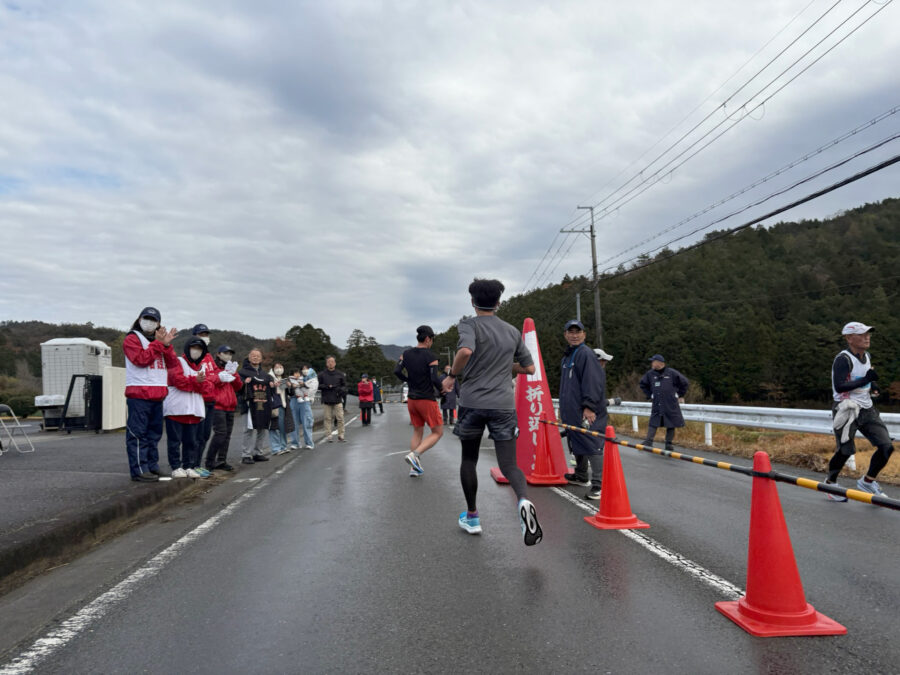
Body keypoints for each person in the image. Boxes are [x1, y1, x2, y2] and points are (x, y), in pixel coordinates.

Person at [443, 278, 542, 546]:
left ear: (472, 302)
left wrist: (452, 376)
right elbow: (529, 368)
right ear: (498, 302)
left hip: (473, 403)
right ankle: (523, 501)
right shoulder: (512, 331)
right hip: (503, 405)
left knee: (469, 459)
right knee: (509, 465)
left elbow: (465, 350)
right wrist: (504, 365)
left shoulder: (469, 325)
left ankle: (472, 517)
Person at [825, 322, 895, 500]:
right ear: (849, 338)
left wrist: (873, 384)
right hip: (846, 409)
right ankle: (830, 483)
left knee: (886, 446)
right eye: (862, 335)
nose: (867, 338)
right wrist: (866, 380)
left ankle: (868, 481)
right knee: (846, 451)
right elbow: (840, 386)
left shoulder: (867, 355)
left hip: (866, 408)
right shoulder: (843, 359)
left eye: (868, 334)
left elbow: (866, 375)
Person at [123, 307, 178, 482]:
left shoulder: (159, 341)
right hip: (139, 393)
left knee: (154, 434)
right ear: (139, 319)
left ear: (159, 324)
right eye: (146, 318)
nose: (149, 322)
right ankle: (139, 469)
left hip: (157, 394)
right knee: (138, 433)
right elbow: (141, 360)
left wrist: (166, 345)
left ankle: (152, 466)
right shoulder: (132, 338)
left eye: (154, 320)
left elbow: (173, 363)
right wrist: (159, 344)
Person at [558, 320, 607, 500]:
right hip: (572, 410)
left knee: (592, 444)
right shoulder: (568, 356)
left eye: (577, 332)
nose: (574, 335)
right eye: (570, 332)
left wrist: (589, 407)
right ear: (565, 335)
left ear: (584, 334)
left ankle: (599, 485)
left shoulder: (585, 354)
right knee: (576, 440)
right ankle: (580, 475)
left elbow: (592, 382)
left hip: (586, 410)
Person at [394, 325, 444, 476]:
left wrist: (408, 380)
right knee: (437, 432)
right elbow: (434, 378)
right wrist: (443, 389)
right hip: (426, 399)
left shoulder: (406, 354)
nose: (432, 342)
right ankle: (414, 455)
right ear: (428, 339)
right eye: (432, 339)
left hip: (412, 399)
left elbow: (397, 370)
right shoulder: (431, 356)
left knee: (417, 431)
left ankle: (414, 468)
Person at [163, 337, 215, 478]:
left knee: (191, 441)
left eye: (200, 349)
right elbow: (178, 381)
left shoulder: (202, 367)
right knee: (174, 441)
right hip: (176, 409)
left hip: (194, 411)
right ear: (187, 348)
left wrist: (196, 384)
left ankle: (188, 466)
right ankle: (175, 466)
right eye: (194, 347)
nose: (196, 351)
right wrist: (195, 382)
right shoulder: (178, 361)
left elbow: (207, 387)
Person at [204, 345, 243, 472]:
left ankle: (222, 460)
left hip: (230, 405)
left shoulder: (230, 368)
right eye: (225, 353)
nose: (228, 356)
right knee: (220, 433)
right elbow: (211, 382)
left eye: (230, 354)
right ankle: (210, 461)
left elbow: (238, 386)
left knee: (227, 435)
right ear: (218, 354)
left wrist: (234, 374)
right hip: (218, 405)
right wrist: (222, 375)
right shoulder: (213, 368)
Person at [639, 354, 689, 451]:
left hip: (670, 402)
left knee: (671, 422)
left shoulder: (671, 373)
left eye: (653, 361)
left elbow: (685, 382)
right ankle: (648, 441)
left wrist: (680, 394)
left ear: (659, 363)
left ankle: (668, 443)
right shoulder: (650, 374)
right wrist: (650, 395)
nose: (651, 363)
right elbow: (643, 384)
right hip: (657, 402)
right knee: (654, 421)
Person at [238, 348, 274, 464]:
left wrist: (272, 385)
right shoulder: (242, 372)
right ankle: (246, 455)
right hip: (248, 405)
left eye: (258, 356)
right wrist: (244, 383)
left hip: (263, 405)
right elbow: (237, 387)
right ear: (249, 357)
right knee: (248, 430)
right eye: (253, 355)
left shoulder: (265, 375)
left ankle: (258, 453)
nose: (255, 357)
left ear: (261, 359)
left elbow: (272, 387)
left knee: (262, 429)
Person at [190, 323, 217, 460]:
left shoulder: (209, 356)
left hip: (211, 400)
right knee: (196, 435)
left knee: (206, 435)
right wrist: (213, 378)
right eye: (201, 334)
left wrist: (220, 376)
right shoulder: (191, 355)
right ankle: (191, 463)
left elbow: (215, 373)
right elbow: (196, 377)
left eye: (206, 334)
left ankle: (198, 463)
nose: (204, 337)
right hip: (199, 400)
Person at [268, 362, 296, 454]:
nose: (279, 369)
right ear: (273, 368)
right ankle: (276, 448)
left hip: (284, 405)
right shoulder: (269, 377)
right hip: (274, 405)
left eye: (281, 367)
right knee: (274, 427)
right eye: (276, 367)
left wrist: (289, 386)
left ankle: (283, 446)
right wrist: (273, 386)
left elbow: (291, 393)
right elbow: (267, 390)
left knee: (283, 426)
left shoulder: (285, 379)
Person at [319, 355, 347, 442]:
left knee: (340, 418)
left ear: (335, 363)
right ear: (326, 363)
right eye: (328, 362)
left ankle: (341, 435)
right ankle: (329, 435)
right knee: (327, 418)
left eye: (332, 361)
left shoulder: (340, 374)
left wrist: (340, 390)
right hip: (326, 399)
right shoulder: (322, 374)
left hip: (337, 399)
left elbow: (344, 386)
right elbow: (318, 385)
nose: (330, 363)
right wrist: (327, 386)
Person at [291, 364, 318, 448]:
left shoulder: (311, 378)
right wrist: (291, 386)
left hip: (305, 400)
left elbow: (312, 389)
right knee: (294, 422)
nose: (304, 370)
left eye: (306, 368)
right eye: (303, 369)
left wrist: (303, 385)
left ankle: (309, 443)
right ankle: (295, 443)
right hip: (294, 399)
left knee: (306, 422)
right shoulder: (292, 379)